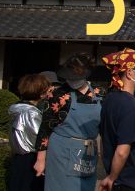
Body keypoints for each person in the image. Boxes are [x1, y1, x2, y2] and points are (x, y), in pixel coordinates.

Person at [33, 53, 100, 191]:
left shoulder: (100, 93)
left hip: (88, 151)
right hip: (61, 151)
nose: (73, 80)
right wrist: (40, 160)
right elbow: (45, 127)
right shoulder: (58, 94)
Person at [98, 48, 135, 191]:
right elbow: (122, 150)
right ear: (130, 73)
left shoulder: (111, 98)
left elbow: (103, 139)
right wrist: (112, 177)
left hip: (124, 177)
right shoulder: (129, 105)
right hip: (133, 180)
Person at [8, 74, 48, 191]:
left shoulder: (16, 108)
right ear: (41, 93)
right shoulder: (31, 113)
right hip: (31, 158)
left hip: (18, 157)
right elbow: (40, 137)